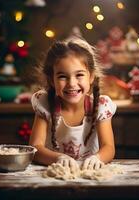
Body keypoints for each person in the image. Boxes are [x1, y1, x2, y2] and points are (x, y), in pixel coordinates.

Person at [29, 37, 116, 172]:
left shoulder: (100, 106)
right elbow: (35, 147)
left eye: (79, 75)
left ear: (91, 77)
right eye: (62, 76)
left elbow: (108, 147)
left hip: (89, 173)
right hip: (54, 172)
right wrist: (59, 158)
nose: (71, 83)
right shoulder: (45, 103)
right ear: (52, 80)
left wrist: (97, 158)